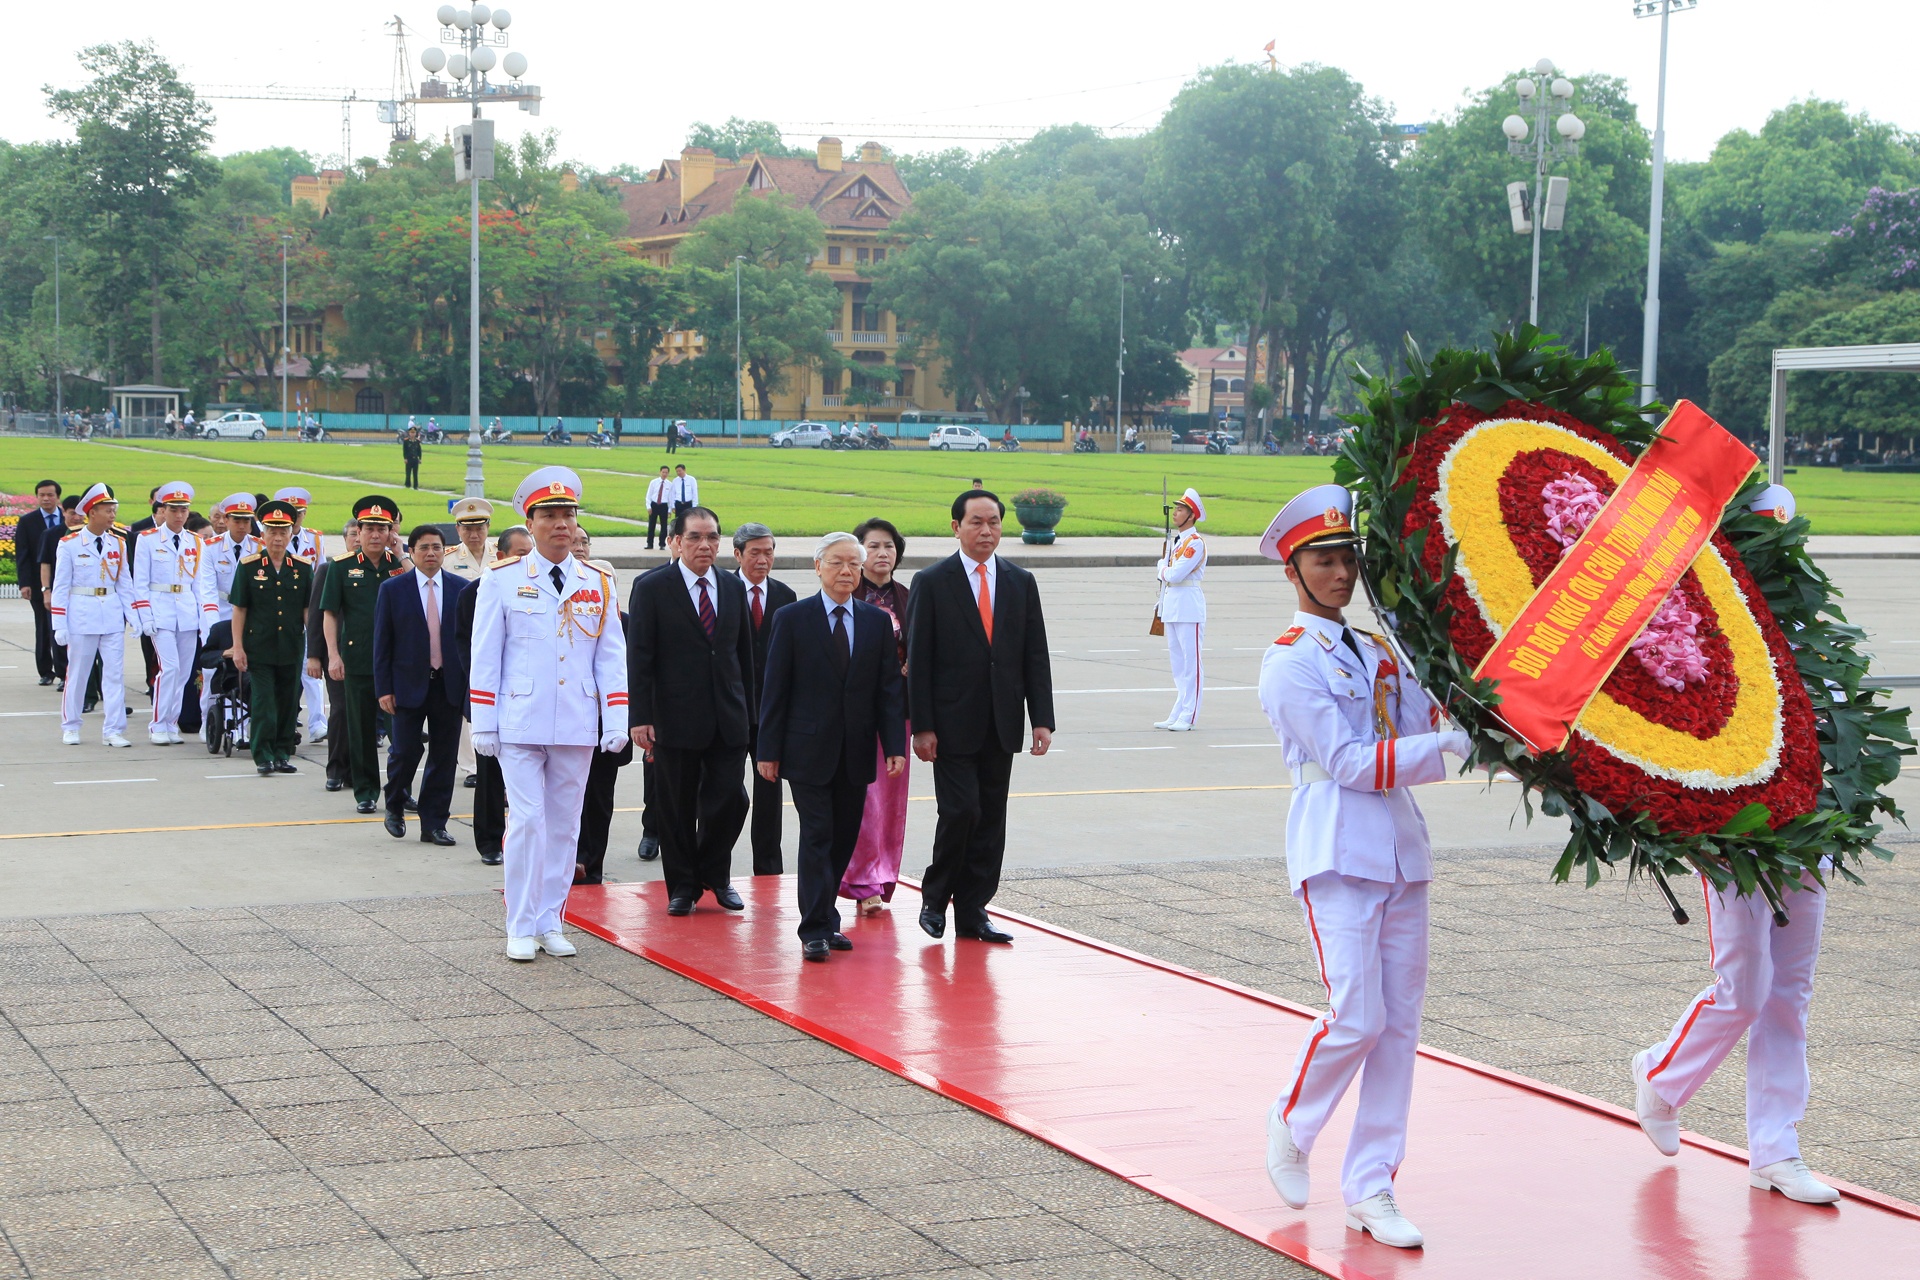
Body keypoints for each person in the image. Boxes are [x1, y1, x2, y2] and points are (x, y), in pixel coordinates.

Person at [1255, 483, 1474, 1251]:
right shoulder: (1287, 664)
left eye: (1348, 558)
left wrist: (1466, 713)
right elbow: (1349, 761)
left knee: (1398, 1028)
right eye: (1323, 560)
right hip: (1337, 843)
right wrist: (1441, 747)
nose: (1340, 573)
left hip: (1400, 850)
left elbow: (1419, 721)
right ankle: (1293, 1120)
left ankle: (1372, 1185)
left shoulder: (1378, 649)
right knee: (1357, 1015)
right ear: (1293, 569)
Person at [1628, 486, 1842, 1206]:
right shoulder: (1705, 632)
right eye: (1762, 548)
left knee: (1790, 995)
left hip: (1805, 836)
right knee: (1743, 989)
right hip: (1733, 838)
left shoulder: (1811, 639)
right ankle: (1660, 1078)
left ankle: (1776, 1150)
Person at [470, 467, 629, 961]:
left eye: (568, 516)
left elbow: (610, 654)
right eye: (550, 516)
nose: (562, 525)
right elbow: (485, 654)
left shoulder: (598, 580)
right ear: (531, 522)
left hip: (576, 720)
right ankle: (519, 923)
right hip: (520, 719)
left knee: (564, 825)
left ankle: (550, 919)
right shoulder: (503, 579)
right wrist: (485, 720)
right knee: (528, 821)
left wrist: (616, 719)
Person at [905, 489, 1056, 943]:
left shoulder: (1019, 581)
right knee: (961, 811)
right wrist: (923, 725)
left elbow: (1035, 655)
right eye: (976, 522)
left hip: (1001, 721)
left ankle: (973, 911)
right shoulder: (932, 582)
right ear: (956, 527)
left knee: (991, 819)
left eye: (993, 522)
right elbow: (920, 659)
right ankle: (936, 898)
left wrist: (1042, 718)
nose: (986, 530)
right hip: (950, 725)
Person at [757, 533, 907, 962]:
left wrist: (893, 742)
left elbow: (887, 690)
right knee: (817, 834)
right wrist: (768, 749)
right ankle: (814, 929)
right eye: (837, 563)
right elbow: (775, 689)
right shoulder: (793, 618)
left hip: (857, 750)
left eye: (853, 565)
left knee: (843, 838)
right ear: (817, 567)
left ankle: (827, 915)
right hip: (806, 750)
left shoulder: (875, 621)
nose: (846, 572)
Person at [627, 505, 755, 916]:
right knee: (676, 806)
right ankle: (683, 886)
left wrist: (751, 714)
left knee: (732, 802)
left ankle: (714, 874)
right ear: (675, 542)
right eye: (696, 537)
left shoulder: (733, 588)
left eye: (713, 537)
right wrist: (640, 716)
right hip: (675, 717)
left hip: (728, 717)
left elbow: (744, 658)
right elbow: (640, 657)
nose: (706, 545)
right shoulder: (652, 587)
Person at [374, 524, 469, 844]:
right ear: (411, 552)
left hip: (448, 686)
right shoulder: (393, 589)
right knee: (404, 751)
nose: (431, 554)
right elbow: (382, 643)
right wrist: (384, 688)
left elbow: (469, 643)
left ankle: (434, 823)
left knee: (443, 757)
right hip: (406, 685)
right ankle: (395, 805)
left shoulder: (461, 588)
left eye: (437, 548)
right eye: (424, 548)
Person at [321, 495, 407, 814]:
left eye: (381, 528)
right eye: (368, 528)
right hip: (357, 661)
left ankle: (400, 790)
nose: (374, 534)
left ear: (390, 533)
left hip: (395, 664)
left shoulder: (399, 566)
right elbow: (330, 613)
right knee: (360, 731)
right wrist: (333, 654)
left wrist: (402, 555)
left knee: (401, 733)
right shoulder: (341, 567)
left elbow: (421, 590)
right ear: (358, 532)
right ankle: (366, 792)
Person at [842, 517, 911, 911]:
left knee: (892, 803)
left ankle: (884, 877)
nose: (882, 553)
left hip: (898, 713)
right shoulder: (847, 593)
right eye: (873, 546)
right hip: (857, 715)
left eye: (889, 545)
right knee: (866, 801)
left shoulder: (908, 595)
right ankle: (861, 880)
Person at [224, 500, 314, 776]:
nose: (277, 538)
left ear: (290, 534)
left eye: (283, 532)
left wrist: (314, 649)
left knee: (288, 703)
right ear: (262, 535)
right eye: (272, 532)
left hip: (291, 645)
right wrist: (237, 647)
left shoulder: (301, 567)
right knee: (264, 703)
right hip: (258, 647)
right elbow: (239, 608)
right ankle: (263, 754)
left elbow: (308, 610)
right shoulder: (250, 566)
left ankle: (282, 752)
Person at [459, 525, 531, 866]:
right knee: (489, 775)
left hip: (529, 700)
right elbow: (468, 652)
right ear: (500, 556)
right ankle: (489, 841)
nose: (526, 561)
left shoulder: (538, 590)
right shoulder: (474, 593)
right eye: (519, 554)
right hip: (492, 698)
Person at [733, 521, 796, 874]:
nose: (762, 560)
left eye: (768, 552)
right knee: (725, 794)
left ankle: (769, 867)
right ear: (738, 554)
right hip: (730, 710)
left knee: (770, 793)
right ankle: (713, 866)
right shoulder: (723, 590)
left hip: (771, 713)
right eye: (754, 552)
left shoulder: (786, 596)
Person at [52, 484, 136, 748]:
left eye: (114, 510)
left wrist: (136, 617)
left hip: (110, 614)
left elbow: (125, 583)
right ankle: (71, 725)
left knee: (113, 674)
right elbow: (61, 586)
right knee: (78, 673)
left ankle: (113, 729)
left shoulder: (118, 543)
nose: (112, 515)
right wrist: (59, 623)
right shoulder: (69, 544)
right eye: (107, 510)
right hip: (82, 613)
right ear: (92, 512)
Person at [569, 528, 631, 883]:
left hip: (607, 726)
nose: (578, 548)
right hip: (570, 722)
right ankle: (570, 860)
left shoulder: (625, 624)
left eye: (584, 543)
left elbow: (630, 677)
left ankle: (593, 865)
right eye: (574, 542)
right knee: (567, 796)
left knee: (600, 800)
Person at [131, 482, 204, 745]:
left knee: (184, 674)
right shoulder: (147, 539)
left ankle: (171, 723)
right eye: (174, 509)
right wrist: (144, 616)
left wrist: (202, 620)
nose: (179, 515)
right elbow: (139, 582)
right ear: (164, 510)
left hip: (186, 610)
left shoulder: (195, 542)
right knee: (169, 669)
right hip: (159, 608)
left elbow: (198, 585)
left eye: (184, 510)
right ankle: (158, 724)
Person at [271, 487, 328, 744]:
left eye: (300, 513)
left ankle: (317, 722)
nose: (296, 518)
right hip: (278, 610)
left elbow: (321, 573)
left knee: (312, 669)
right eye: (291, 513)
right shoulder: (270, 538)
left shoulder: (314, 539)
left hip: (308, 609)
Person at [307, 518, 360, 792]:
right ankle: (336, 769)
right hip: (336, 653)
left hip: (366, 655)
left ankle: (357, 771)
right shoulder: (330, 569)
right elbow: (317, 615)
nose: (358, 540)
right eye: (353, 535)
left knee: (363, 715)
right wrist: (315, 655)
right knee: (340, 711)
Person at [1155, 488, 1208, 732]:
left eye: (1180, 510)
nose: (1175, 513)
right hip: (1174, 605)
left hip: (1188, 605)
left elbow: (1175, 575)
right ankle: (1178, 709)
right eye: (1176, 509)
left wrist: (1160, 569)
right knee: (1178, 663)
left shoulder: (1194, 543)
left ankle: (1189, 715)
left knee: (1191, 663)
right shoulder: (1178, 542)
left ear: (1192, 515)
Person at [19, 479, 64, 686]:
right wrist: (25, 583)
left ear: (58, 497)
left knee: (62, 629)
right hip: (39, 585)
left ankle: (65, 670)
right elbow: (23, 555)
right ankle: (46, 670)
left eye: (50, 495)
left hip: (64, 583)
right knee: (44, 627)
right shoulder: (28, 521)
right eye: (42, 495)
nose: (46, 499)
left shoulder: (68, 519)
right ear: (37, 497)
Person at [441, 497, 495, 580]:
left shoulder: (502, 554)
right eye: (467, 529)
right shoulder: (446, 559)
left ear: (488, 527)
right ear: (458, 529)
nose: (474, 535)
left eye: (479, 529)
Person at [644, 467, 672, 551]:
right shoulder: (654, 482)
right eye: (663, 472)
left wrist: (669, 510)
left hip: (663, 506)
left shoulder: (670, 484)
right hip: (654, 505)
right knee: (651, 525)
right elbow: (649, 495)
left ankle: (662, 544)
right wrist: (648, 506)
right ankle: (649, 543)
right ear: (660, 472)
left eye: (666, 472)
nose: (664, 474)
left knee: (664, 526)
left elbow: (671, 498)